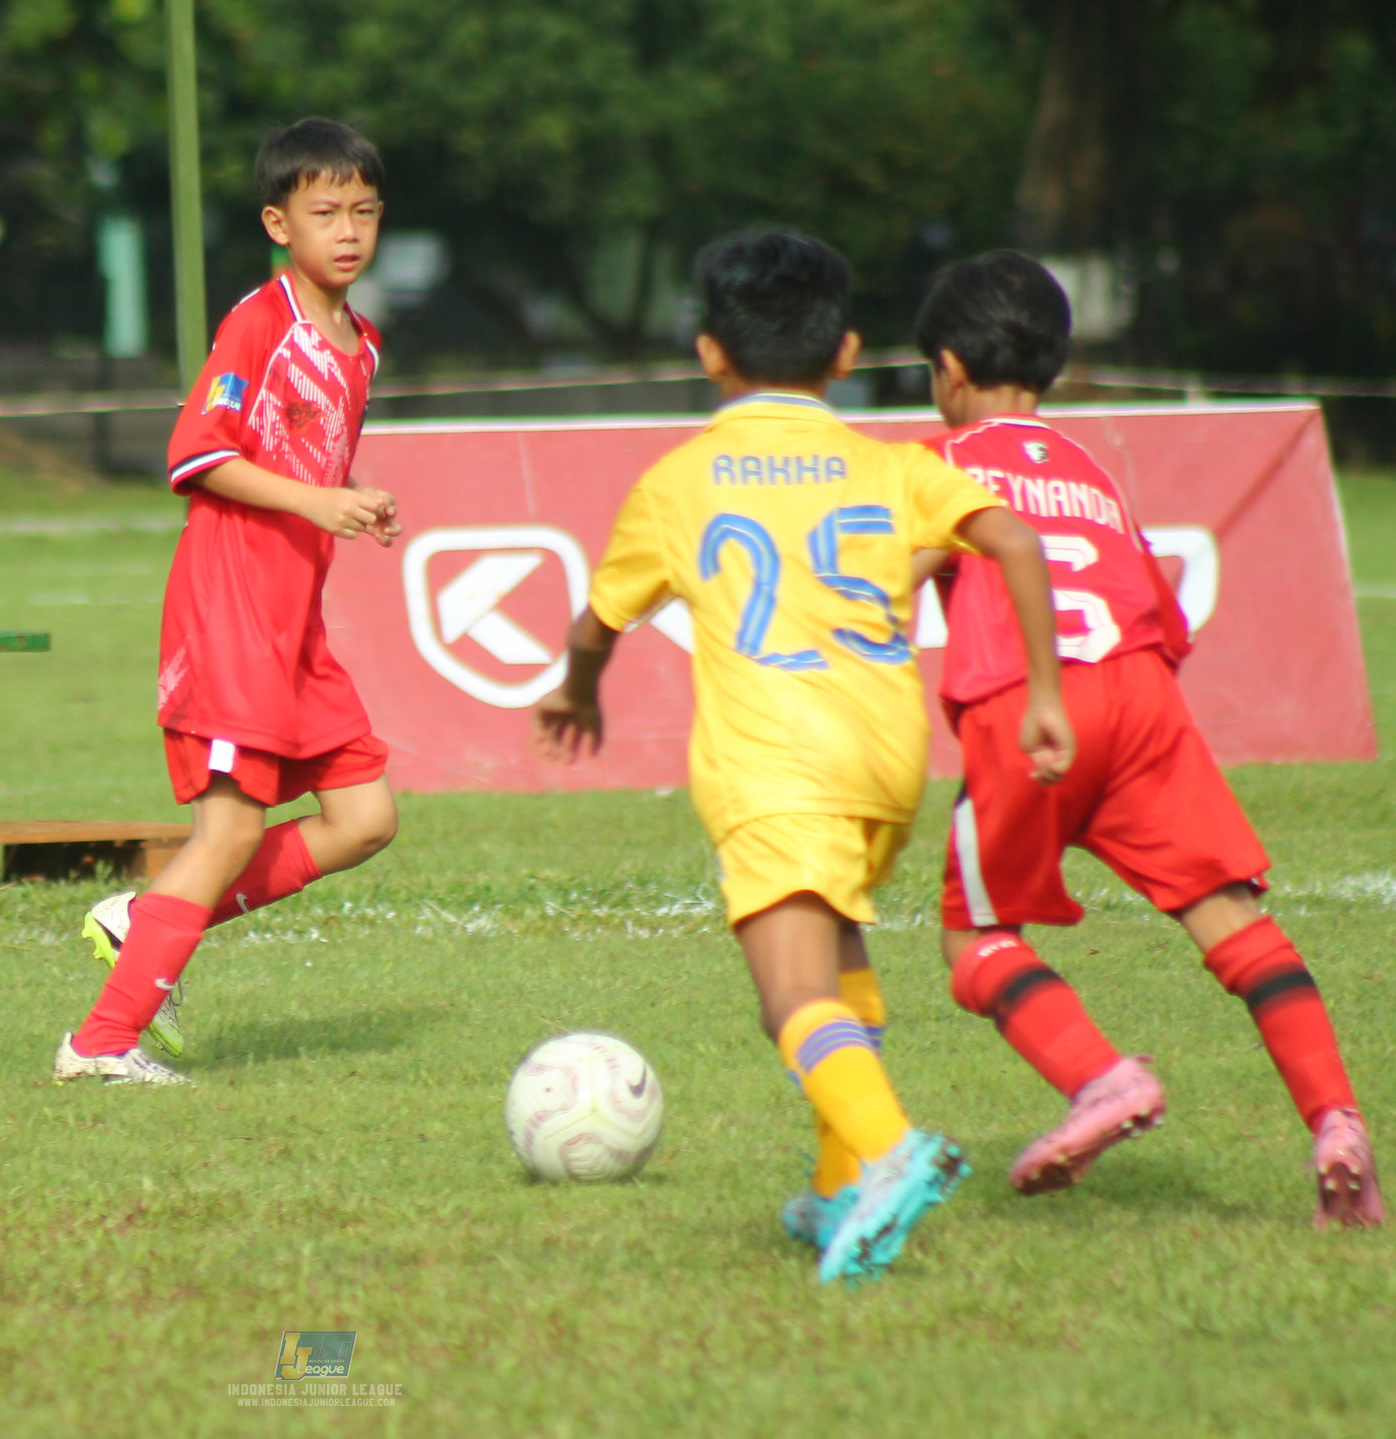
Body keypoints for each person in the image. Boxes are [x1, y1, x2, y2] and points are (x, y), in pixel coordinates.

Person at [534, 230, 1074, 1284]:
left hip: (774, 770)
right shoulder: (891, 465)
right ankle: (836, 1196)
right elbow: (1012, 541)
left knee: (789, 997)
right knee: (841, 973)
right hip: (883, 765)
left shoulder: (677, 480)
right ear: (844, 355)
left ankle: (886, 1151)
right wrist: (1043, 696)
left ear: (705, 353)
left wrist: (576, 692)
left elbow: (597, 624)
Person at [911, 250, 1382, 1226]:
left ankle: (1102, 1078)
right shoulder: (1088, 469)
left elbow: (891, 571)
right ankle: (1335, 1119)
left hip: (1027, 702)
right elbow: (1157, 617)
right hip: (1140, 699)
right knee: (1233, 924)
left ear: (948, 370)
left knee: (973, 935)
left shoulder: (935, 463)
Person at [56, 117, 403, 1084]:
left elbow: (305, 460)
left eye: (364, 212)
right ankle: (99, 1043)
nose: (347, 231)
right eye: (324, 212)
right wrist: (320, 501)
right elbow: (196, 456)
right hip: (231, 613)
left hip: (296, 627)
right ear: (276, 222)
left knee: (365, 817)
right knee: (231, 829)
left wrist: (350, 506)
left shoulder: (362, 344)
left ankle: (153, 914)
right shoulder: (263, 322)